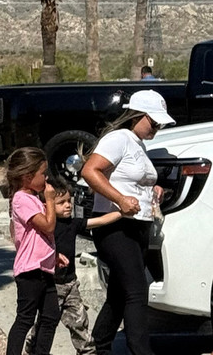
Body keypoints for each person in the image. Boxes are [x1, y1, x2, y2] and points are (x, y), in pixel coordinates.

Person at [80, 89, 174, 355]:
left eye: (160, 124)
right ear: (136, 116)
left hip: (138, 225)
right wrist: (120, 199)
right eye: (153, 122)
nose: (157, 128)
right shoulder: (118, 138)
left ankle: (99, 344)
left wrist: (154, 190)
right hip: (114, 225)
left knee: (121, 292)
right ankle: (141, 350)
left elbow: (133, 179)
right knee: (136, 290)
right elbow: (90, 170)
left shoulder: (137, 144)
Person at [24, 177, 121, 355]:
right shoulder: (46, 228)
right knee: (47, 322)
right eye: (61, 203)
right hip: (51, 285)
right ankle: (33, 346)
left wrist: (121, 211)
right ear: (47, 205)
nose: (68, 205)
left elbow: (98, 221)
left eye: (69, 201)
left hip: (71, 284)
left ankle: (87, 351)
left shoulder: (73, 224)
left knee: (79, 321)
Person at [5, 146, 62, 355]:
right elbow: (47, 226)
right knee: (25, 318)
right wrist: (50, 200)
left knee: (51, 315)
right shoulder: (21, 199)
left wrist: (53, 255)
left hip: (43, 269)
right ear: (28, 176)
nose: (46, 178)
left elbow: (39, 237)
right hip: (30, 270)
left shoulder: (32, 199)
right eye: (43, 173)